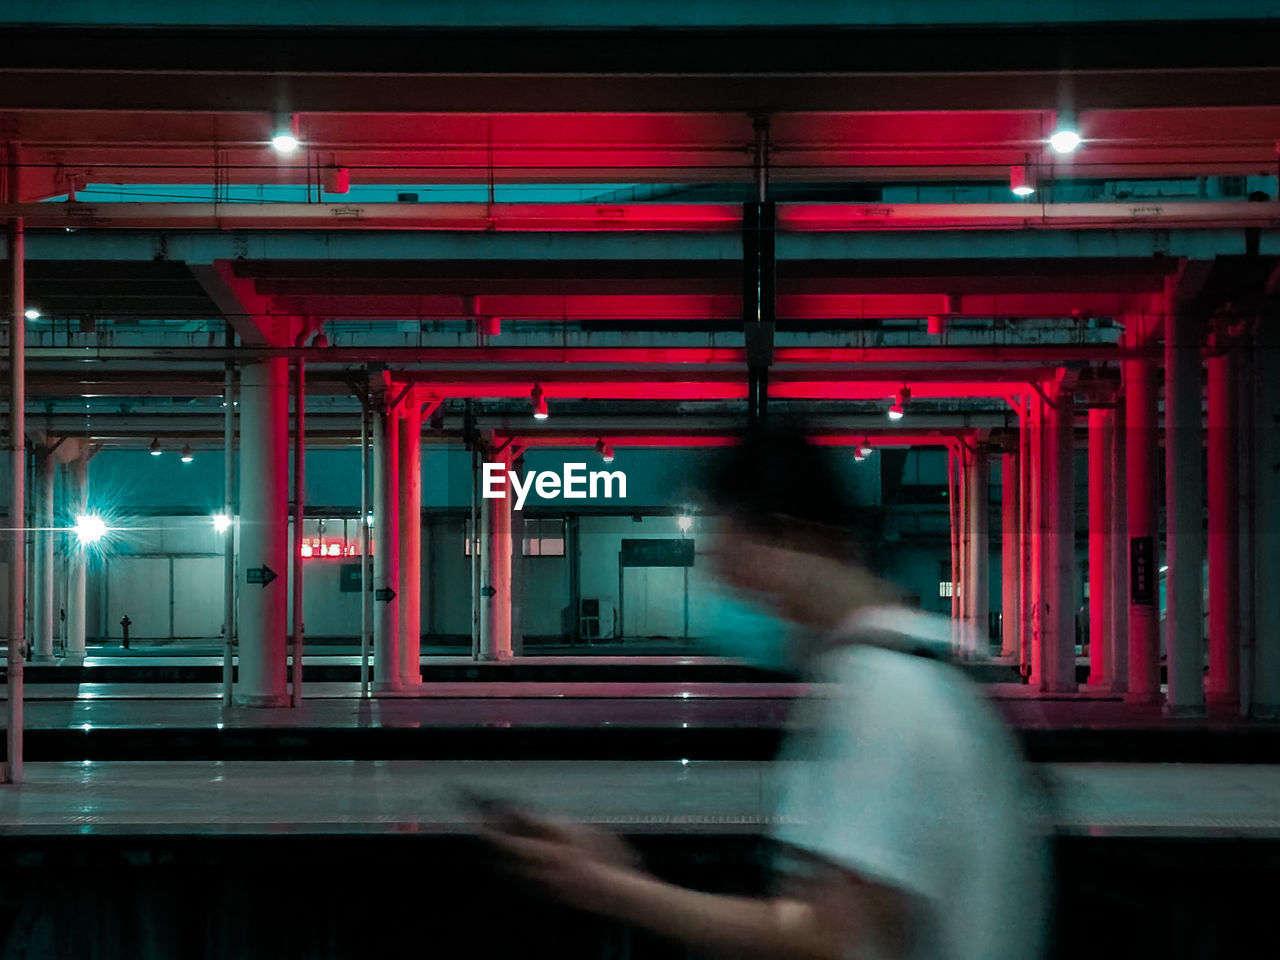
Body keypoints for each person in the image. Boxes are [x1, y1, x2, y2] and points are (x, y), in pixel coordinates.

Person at [480, 426, 1048, 960]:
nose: (731, 598)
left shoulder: (887, 692)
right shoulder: (920, 663)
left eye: (734, 569)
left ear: (787, 538)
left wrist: (610, 888)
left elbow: (832, 936)